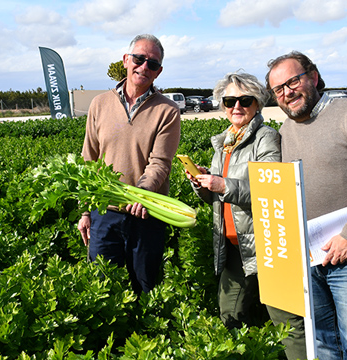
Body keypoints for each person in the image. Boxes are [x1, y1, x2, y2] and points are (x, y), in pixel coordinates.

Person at [265, 52, 347, 360]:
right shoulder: (285, 131)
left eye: (293, 81)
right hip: (310, 257)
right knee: (324, 346)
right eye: (278, 89)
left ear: (312, 77)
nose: (287, 93)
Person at [78, 34, 181, 294]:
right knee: (101, 289)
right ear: (126, 60)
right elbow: (88, 159)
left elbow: (160, 163)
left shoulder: (167, 111)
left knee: (145, 288)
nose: (144, 67)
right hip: (105, 215)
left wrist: (141, 196)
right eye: (139, 59)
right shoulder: (99, 104)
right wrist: (85, 212)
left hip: (147, 214)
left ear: (159, 72)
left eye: (153, 64)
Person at [186, 72, 281, 329]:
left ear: (258, 103)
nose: (236, 107)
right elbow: (217, 199)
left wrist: (223, 184)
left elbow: (271, 189)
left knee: (283, 319)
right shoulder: (224, 142)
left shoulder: (266, 137)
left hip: (263, 246)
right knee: (231, 315)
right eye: (229, 101)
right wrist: (202, 183)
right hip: (232, 246)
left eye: (245, 100)